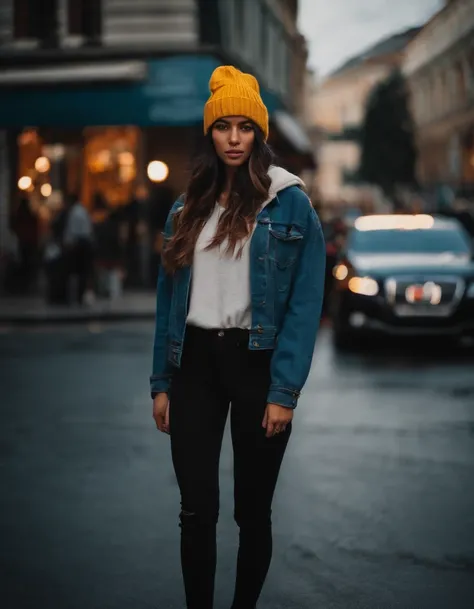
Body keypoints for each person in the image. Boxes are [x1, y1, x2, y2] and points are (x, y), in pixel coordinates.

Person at [150, 65, 326, 609]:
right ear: (209, 133)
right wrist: (161, 381)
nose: (233, 137)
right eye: (222, 126)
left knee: (252, 511)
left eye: (244, 127)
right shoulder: (187, 207)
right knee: (196, 510)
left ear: (259, 134)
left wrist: (284, 392)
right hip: (194, 365)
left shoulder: (289, 203)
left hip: (257, 364)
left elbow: (304, 304)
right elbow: (167, 301)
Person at [63, 193, 94, 305]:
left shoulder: (74, 213)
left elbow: (71, 231)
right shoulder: (83, 211)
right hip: (85, 242)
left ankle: (77, 296)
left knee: (77, 271)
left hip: (79, 243)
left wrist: (68, 244)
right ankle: (81, 296)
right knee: (83, 272)